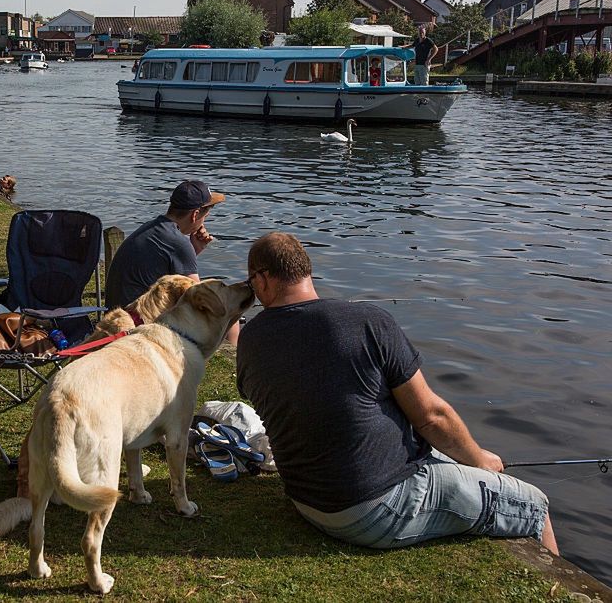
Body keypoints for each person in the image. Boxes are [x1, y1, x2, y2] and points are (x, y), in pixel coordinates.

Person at [236, 232, 558, 553]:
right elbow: (431, 417)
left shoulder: (249, 341)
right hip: (376, 509)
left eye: (251, 284)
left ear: (263, 279)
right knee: (535, 508)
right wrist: (480, 460)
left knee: (446, 458)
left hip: (306, 501)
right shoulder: (367, 322)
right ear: (305, 271)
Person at [105, 180, 240, 344]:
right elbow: (199, 298)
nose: (204, 223)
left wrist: (195, 249)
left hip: (116, 318)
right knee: (230, 310)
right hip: (136, 328)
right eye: (205, 216)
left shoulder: (152, 228)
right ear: (195, 214)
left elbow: (174, 279)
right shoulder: (178, 243)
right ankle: (233, 359)